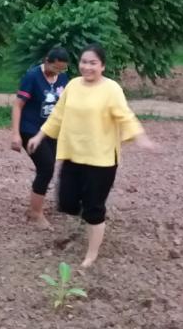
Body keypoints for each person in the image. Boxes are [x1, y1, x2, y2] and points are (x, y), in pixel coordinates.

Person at [27, 44, 156, 268]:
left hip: (101, 159)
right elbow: (58, 115)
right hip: (74, 155)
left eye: (93, 63)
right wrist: (39, 136)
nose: (87, 67)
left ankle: (91, 253)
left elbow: (125, 116)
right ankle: (89, 216)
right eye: (84, 62)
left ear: (102, 66)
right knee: (66, 202)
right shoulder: (73, 85)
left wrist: (140, 136)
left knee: (94, 209)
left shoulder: (111, 89)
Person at [11, 47, 70, 228]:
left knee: (49, 167)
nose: (58, 72)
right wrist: (15, 134)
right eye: (55, 68)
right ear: (47, 61)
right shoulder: (32, 77)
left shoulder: (63, 78)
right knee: (46, 167)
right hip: (30, 129)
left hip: (51, 130)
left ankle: (40, 205)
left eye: (62, 69)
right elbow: (18, 105)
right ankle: (35, 213)